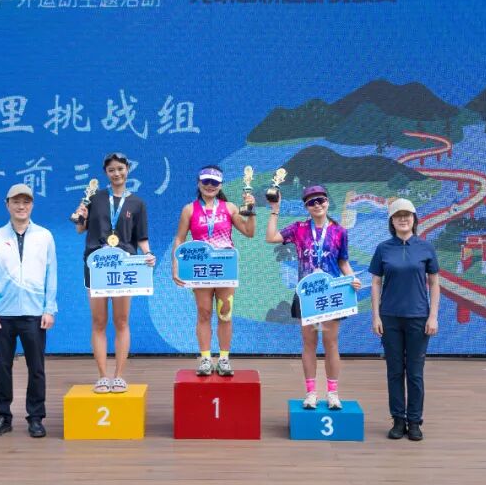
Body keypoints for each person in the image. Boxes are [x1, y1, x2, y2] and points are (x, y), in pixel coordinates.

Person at [265, 184, 362, 410]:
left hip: (331, 294)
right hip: (307, 295)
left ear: (327, 201)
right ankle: (311, 393)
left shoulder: (339, 231)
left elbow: (343, 262)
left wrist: (352, 278)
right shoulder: (298, 228)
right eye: (311, 202)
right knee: (309, 343)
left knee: (331, 343)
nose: (317, 205)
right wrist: (275, 210)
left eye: (321, 200)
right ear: (306, 206)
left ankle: (333, 393)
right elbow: (270, 237)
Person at [72, 152, 155, 394]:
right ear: (105, 173)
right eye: (111, 170)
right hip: (96, 265)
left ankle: (118, 376)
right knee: (99, 322)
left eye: (120, 168)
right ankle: (102, 376)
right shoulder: (94, 197)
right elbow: (80, 229)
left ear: (127, 169)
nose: (116, 173)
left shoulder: (137, 203)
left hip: (124, 267)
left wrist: (148, 254)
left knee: (121, 321)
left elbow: (141, 238)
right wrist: (81, 215)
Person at [0, 183, 57, 439]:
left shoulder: (45, 236)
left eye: (26, 201)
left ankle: (35, 417)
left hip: (35, 313)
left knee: (36, 367)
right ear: (7, 205)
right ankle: (3, 416)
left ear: (32, 205)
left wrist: (49, 308)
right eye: (16, 201)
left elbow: (51, 275)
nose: (21, 206)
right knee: (2, 367)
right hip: (3, 313)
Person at [171, 165, 256, 376]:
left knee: (225, 314)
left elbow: (249, 232)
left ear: (220, 185)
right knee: (204, 313)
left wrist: (251, 211)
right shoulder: (189, 209)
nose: (210, 186)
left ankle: (224, 359)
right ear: (198, 183)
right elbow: (180, 239)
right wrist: (176, 264)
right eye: (206, 181)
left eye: (215, 182)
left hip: (224, 269)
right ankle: (206, 359)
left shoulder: (230, 207)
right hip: (200, 269)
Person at [369, 198, 440, 442]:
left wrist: (433, 316)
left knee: (415, 373)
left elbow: (434, 283)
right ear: (391, 221)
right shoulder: (383, 249)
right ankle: (398, 420)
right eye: (398, 216)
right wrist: (376, 315)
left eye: (407, 215)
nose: (403, 219)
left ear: (414, 219)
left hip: (418, 318)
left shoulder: (425, 248)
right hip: (390, 317)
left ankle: (415, 421)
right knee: (395, 371)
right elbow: (376, 282)